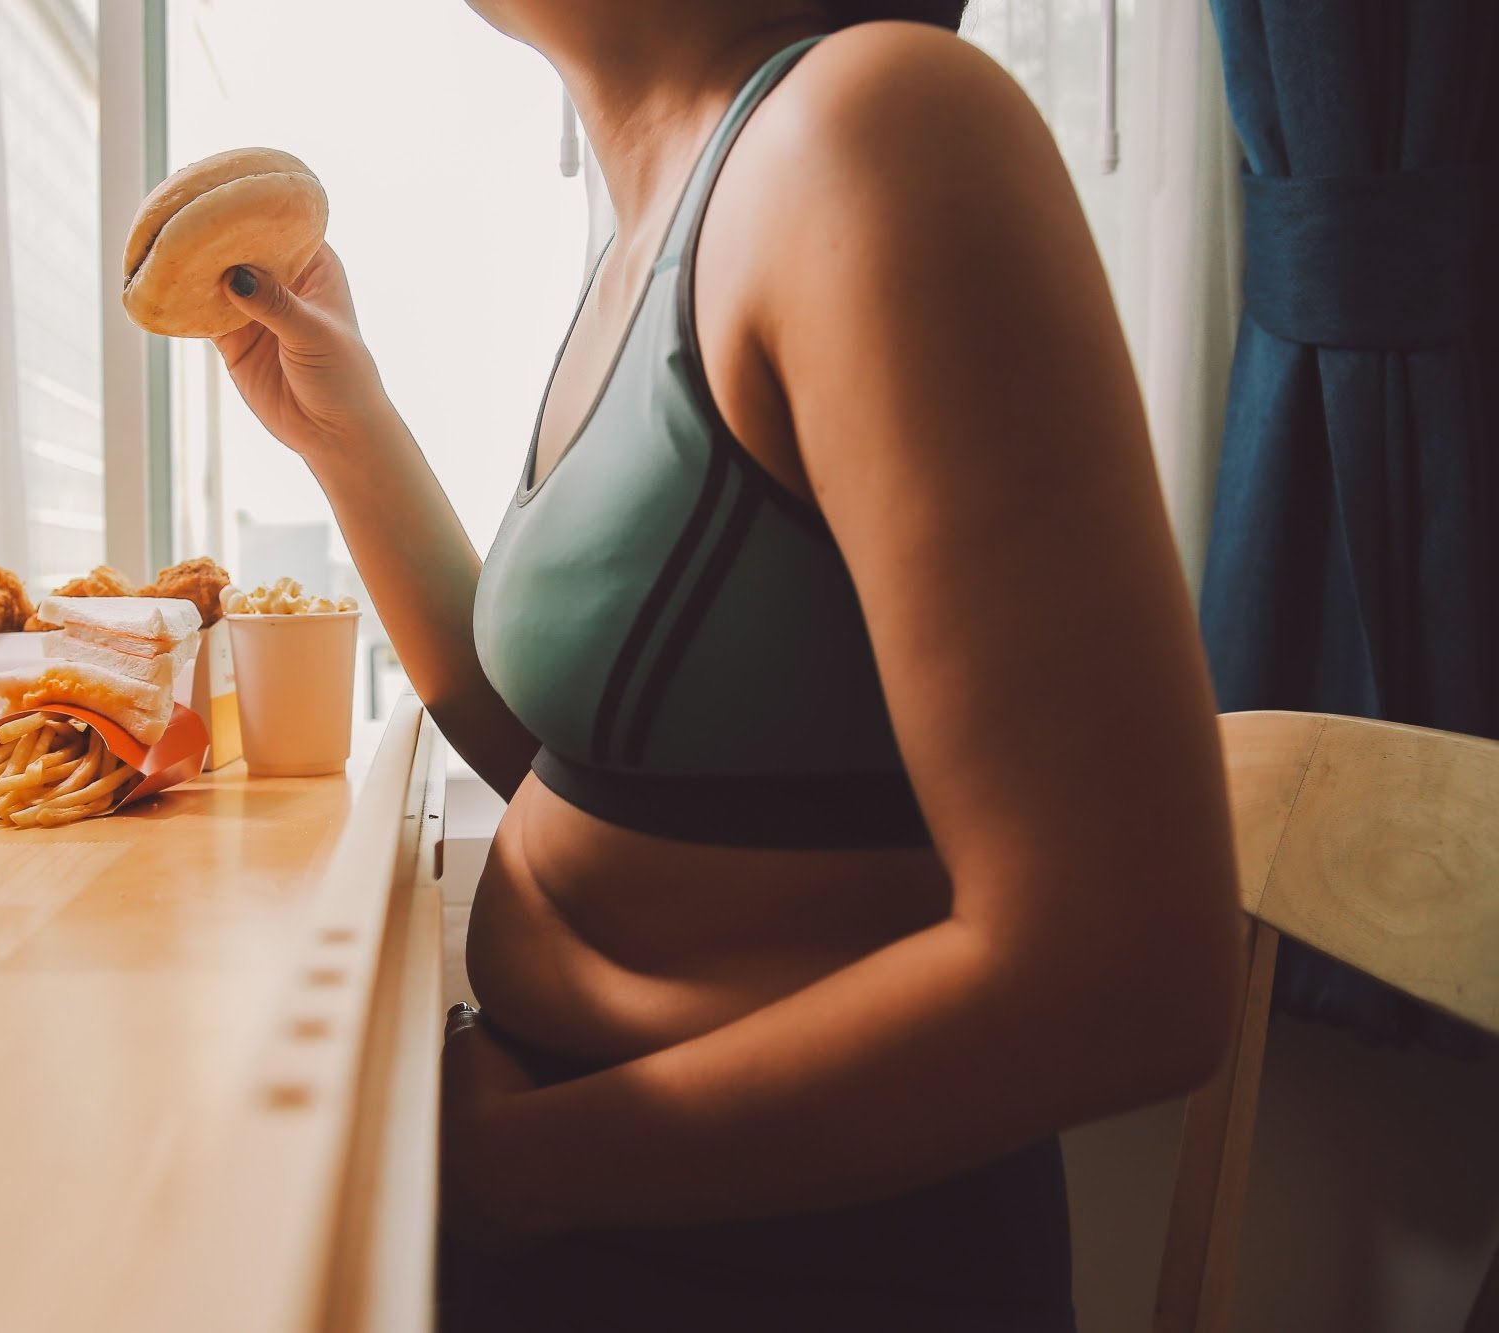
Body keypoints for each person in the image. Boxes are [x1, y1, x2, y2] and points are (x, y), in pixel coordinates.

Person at [210, 1, 1244, 1327]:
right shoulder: (667, 219)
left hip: (779, 1260)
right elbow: (601, 771)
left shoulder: (876, 127)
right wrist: (342, 427)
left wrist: (506, 1168)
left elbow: (1127, 975)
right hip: (589, 1207)